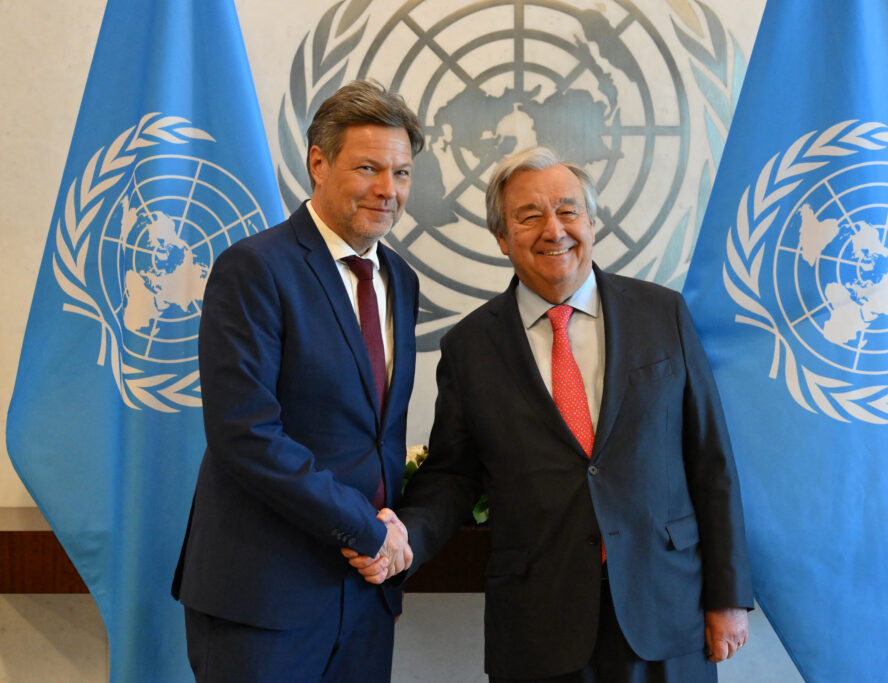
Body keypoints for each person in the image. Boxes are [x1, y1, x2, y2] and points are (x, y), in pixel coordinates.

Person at [346, 146, 754, 682]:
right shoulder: (471, 347)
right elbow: (453, 475)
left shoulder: (663, 313)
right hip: (538, 618)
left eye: (567, 211)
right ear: (501, 237)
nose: (553, 230)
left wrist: (728, 596)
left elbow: (710, 461)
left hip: (665, 605)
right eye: (529, 216)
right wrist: (404, 539)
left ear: (590, 221)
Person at [171, 80, 421, 682]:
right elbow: (245, 433)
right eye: (368, 168)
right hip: (263, 599)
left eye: (403, 172)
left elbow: (376, 437)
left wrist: (389, 538)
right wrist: (366, 530)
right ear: (318, 162)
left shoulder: (401, 280)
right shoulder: (254, 268)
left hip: (364, 599)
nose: (388, 190)